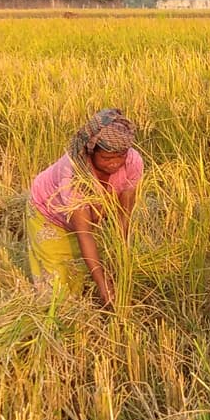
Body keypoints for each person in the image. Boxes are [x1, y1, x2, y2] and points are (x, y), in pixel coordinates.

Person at [26, 109, 143, 309]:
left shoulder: (133, 162)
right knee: (57, 288)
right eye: (107, 158)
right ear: (91, 150)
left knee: (79, 273)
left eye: (120, 156)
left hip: (90, 218)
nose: (114, 163)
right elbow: (84, 234)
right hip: (49, 214)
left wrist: (121, 260)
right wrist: (104, 286)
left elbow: (124, 216)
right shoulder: (74, 175)